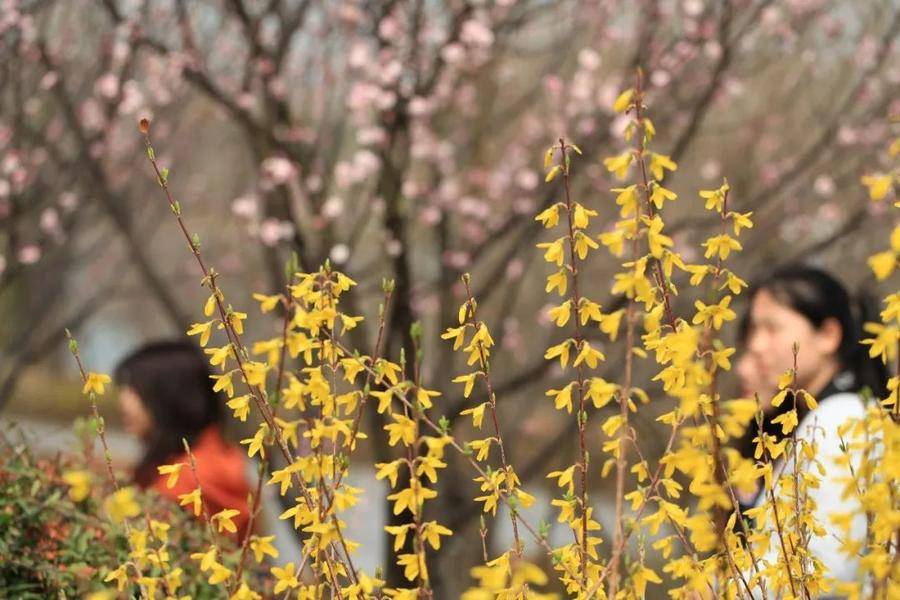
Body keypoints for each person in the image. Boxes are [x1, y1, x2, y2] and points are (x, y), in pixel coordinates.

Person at [732, 264, 887, 594]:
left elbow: (830, 566)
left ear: (828, 336)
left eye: (772, 328)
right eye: (754, 330)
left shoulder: (842, 421)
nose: (757, 345)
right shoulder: (818, 418)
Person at [114, 340, 251, 537]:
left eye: (135, 390)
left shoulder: (192, 478)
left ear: (172, 397)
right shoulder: (220, 456)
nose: (123, 402)